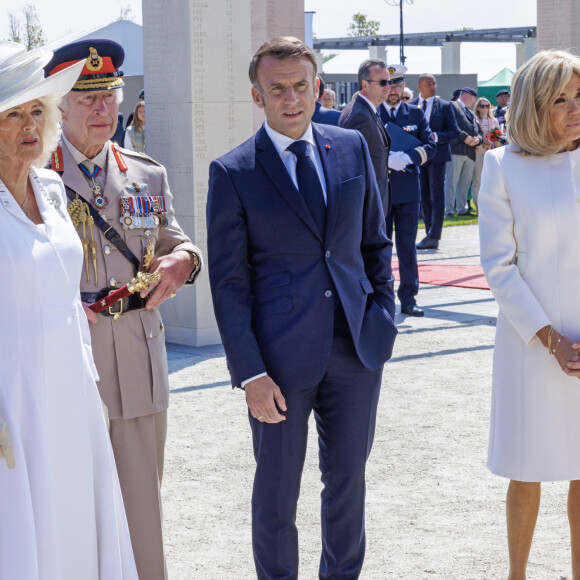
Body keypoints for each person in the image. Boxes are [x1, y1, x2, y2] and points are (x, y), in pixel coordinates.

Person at [206, 36, 398, 580]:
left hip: (357, 351)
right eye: (277, 89)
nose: (291, 99)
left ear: (317, 87)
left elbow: (373, 242)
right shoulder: (234, 172)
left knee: (347, 486)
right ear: (257, 95)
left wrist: (382, 315)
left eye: (300, 86)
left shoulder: (351, 148)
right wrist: (249, 373)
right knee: (276, 491)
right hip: (279, 363)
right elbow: (229, 284)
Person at [44, 39, 203, 580]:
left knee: (141, 506)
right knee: (67, 499)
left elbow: (175, 242)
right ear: (59, 107)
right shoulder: (32, 177)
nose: (101, 110)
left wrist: (185, 259)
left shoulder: (145, 174)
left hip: (137, 356)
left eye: (108, 97)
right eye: (85, 99)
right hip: (68, 360)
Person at [0, 40, 137, 579]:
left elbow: (64, 294)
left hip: (71, 386)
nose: (30, 125)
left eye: (38, 111)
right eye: (13, 114)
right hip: (13, 396)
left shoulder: (53, 188)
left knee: (78, 516)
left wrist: (90, 387)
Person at [479, 49, 580, 579]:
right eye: (560, 99)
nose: (574, 109)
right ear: (532, 105)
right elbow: (499, 266)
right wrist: (551, 339)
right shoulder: (501, 166)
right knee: (528, 469)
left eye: (579, 96)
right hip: (531, 344)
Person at [379, 64, 436, 317]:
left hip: (407, 192)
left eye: (397, 84)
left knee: (406, 246)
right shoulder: (372, 113)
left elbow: (430, 145)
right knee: (379, 246)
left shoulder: (415, 113)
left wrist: (409, 157)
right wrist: (385, 159)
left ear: (403, 86)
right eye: (388, 84)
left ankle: (409, 298)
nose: (393, 90)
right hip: (379, 191)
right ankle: (381, 297)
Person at [411, 73, 460, 250]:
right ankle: (428, 234)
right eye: (429, 84)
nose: (433, 86)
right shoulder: (410, 106)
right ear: (419, 87)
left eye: (434, 83)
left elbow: (454, 132)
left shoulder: (445, 106)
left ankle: (434, 236)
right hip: (418, 156)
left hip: (437, 157)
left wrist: (436, 136)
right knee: (423, 195)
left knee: (436, 195)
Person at [339, 58, 392, 217]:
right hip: (366, 210)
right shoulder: (359, 116)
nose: (388, 87)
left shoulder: (367, 111)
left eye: (389, 82)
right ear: (365, 85)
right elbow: (353, 169)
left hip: (373, 205)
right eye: (383, 82)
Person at [445, 87, 482, 216]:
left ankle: (462, 209)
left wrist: (478, 139)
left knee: (465, 184)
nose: (474, 102)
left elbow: (478, 131)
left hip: (470, 153)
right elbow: (451, 126)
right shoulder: (452, 106)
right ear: (465, 95)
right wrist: (464, 138)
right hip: (456, 150)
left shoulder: (471, 113)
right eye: (473, 98)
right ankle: (449, 210)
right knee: (451, 182)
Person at [471, 96, 499, 212]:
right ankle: (478, 206)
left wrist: (491, 143)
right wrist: (481, 144)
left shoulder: (494, 121)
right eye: (482, 106)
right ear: (477, 108)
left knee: (491, 179)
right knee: (478, 179)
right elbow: (473, 135)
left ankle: (490, 205)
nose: (484, 108)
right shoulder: (474, 120)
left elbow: (497, 136)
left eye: (487, 105)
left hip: (491, 152)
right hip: (478, 152)